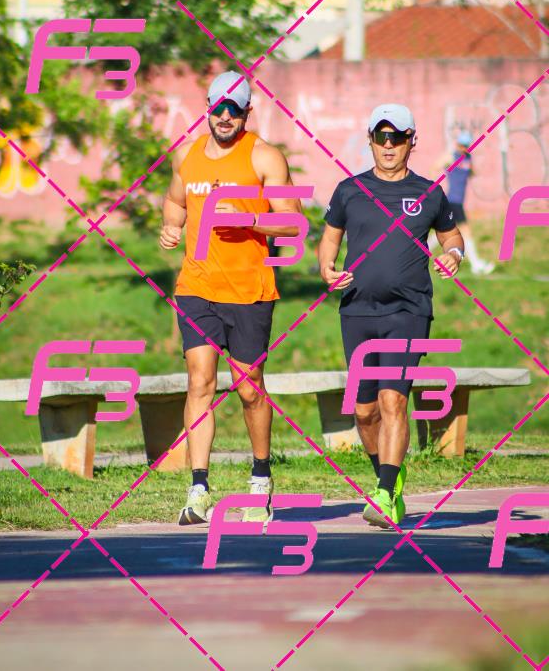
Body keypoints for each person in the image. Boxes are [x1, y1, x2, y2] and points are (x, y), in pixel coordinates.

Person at [160, 70, 302, 526]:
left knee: (248, 387)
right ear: (207, 108)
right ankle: (199, 489)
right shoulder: (188, 155)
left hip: (249, 290)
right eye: (218, 107)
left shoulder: (264, 156)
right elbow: (175, 200)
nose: (224, 116)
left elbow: (294, 222)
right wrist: (171, 226)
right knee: (200, 381)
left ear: (246, 112)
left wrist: (248, 220)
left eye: (233, 109)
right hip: (196, 287)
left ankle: (260, 478)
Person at [318, 104, 465, 529]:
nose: (388, 145)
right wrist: (326, 268)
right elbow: (330, 239)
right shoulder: (349, 190)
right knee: (364, 411)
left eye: (397, 137)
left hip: (409, 311)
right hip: (357, 310)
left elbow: (451, 236)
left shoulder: (429, 193)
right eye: (381, 137)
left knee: (393, 399)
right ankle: (389, 479)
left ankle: (384, 493)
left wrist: (454, 254)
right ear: (370, 140)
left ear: (411, 142)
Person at [434, 131, 494, 275]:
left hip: (458, 202)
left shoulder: (468, 158)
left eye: (466, 145)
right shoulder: (451, 156)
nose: (463, 148)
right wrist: (436, 188)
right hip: (452, 201)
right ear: (457, 144)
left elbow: (472, 173)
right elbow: (435, 167)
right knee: (466, 232)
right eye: (461, 145)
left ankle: (419, 254)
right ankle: (476, 265)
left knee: (442, 233)